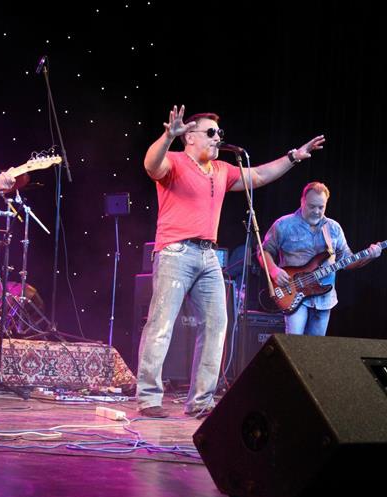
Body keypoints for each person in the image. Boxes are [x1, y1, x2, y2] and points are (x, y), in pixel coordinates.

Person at [137, 105, 325, 418]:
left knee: (217, 324)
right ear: (190, 137)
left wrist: (293, 157)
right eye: (211, 132)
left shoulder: (222, 170)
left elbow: (259, 175)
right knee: (161, 324)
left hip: (209, 254)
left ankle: (200, 401)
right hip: (174, 252)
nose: (217, 138)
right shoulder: (176, 161)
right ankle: (148, 397)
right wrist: (168, 137)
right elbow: (150, 165)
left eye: (219, 133)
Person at [258, 181, 381, 336]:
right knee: (295, 345)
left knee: (316, 348)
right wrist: (274, 270)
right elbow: (263, 251)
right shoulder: (284, 224)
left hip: (324, 299)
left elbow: (347, 261)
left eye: (321, 207)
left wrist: (369, 256)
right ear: (302, 201)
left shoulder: (333, 228)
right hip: (293, 294)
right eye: (312, 206)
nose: (317, 211)